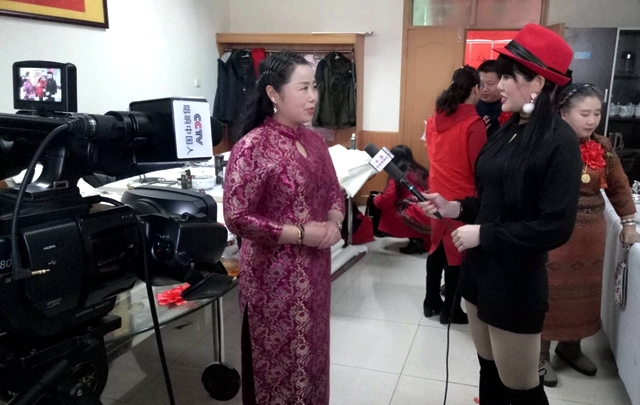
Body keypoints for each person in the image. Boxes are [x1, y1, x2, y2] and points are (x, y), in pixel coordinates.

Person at [419, 24, 581, 404]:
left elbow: (555, 227)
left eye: (509, 77)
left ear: (538, 83)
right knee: (488, 373)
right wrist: (456, 208)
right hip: (479, 274)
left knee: (521, 389)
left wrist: (484, 234)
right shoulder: (509, 131)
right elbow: (492, 202)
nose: (498, 85)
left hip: (514, 284)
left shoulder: (559, 142)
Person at [223, 51, 344, 405]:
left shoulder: (315, 142)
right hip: (272, 282)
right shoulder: (252, 147)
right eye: (303, 88)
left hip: (316, 274)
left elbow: (333, 191)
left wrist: (334, 222)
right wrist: (301, 234)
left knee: (313, 357)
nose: (313, 97)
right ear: (274, 94)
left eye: (314, 87)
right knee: (279, 367)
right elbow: (236, 216)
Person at [538, 83, 640, 387]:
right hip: (555, 234)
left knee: (583, 296)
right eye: (585, 113)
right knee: (549, 294)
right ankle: (539, 355)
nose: (592, 120)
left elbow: (619, 186)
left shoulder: (603, 147)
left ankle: (571, 347)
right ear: (563, 113)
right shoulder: (545, 141)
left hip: (590, 236)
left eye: (597, 113)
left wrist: (629, 223)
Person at [423, 65, 486, 325]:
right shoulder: (474, 124)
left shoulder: (434, 120)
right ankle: (450, 310)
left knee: (436, 248)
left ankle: (430, 302)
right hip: (460, 200)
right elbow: (479, 168)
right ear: (476, 89)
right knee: (457, 254)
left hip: (436, 194)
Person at [373, 145, 431, 254]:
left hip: (417, 213)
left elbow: (386, 200)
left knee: (389, 210)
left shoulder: (398, 175)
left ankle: (415, 239)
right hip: (431, 211)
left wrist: (376, 199)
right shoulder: (421, 170)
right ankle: (421, 238)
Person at [476, 60, 504, 138]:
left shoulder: (509, 108)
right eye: (481, 84)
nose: (484, 89)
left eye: (490, 84)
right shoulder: (472, 107)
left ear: (502, 83)